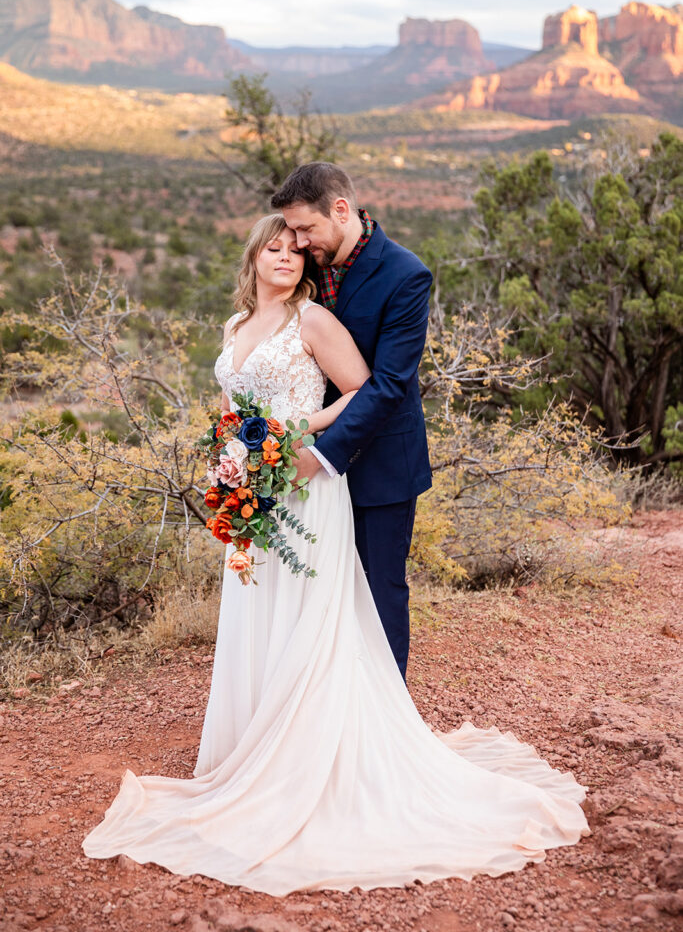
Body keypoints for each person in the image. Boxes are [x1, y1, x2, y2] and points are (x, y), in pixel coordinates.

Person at [82, 211, 589, 895]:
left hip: (308, 482)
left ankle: (314, 758)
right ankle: (254, 744)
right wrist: (235, 456)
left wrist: (291, 434)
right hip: (257, 487)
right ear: (254, 258)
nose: (287, 256)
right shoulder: (234, 329)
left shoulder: (313, 321)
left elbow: (356, 388)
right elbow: (235, 411)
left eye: (296, 248)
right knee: (259, 606)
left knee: (313, 615)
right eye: (274, 247)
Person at [271, 162, 432, 679]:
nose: (296, 242)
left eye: (305, 228)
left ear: (341, 210)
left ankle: (389, 718)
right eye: (291, 230)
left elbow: (388, 384)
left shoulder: (406, 275)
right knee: (320, 590)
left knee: (378, 586)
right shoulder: (309, 262)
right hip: (304, 467)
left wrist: (318, 453)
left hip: (381, 461)